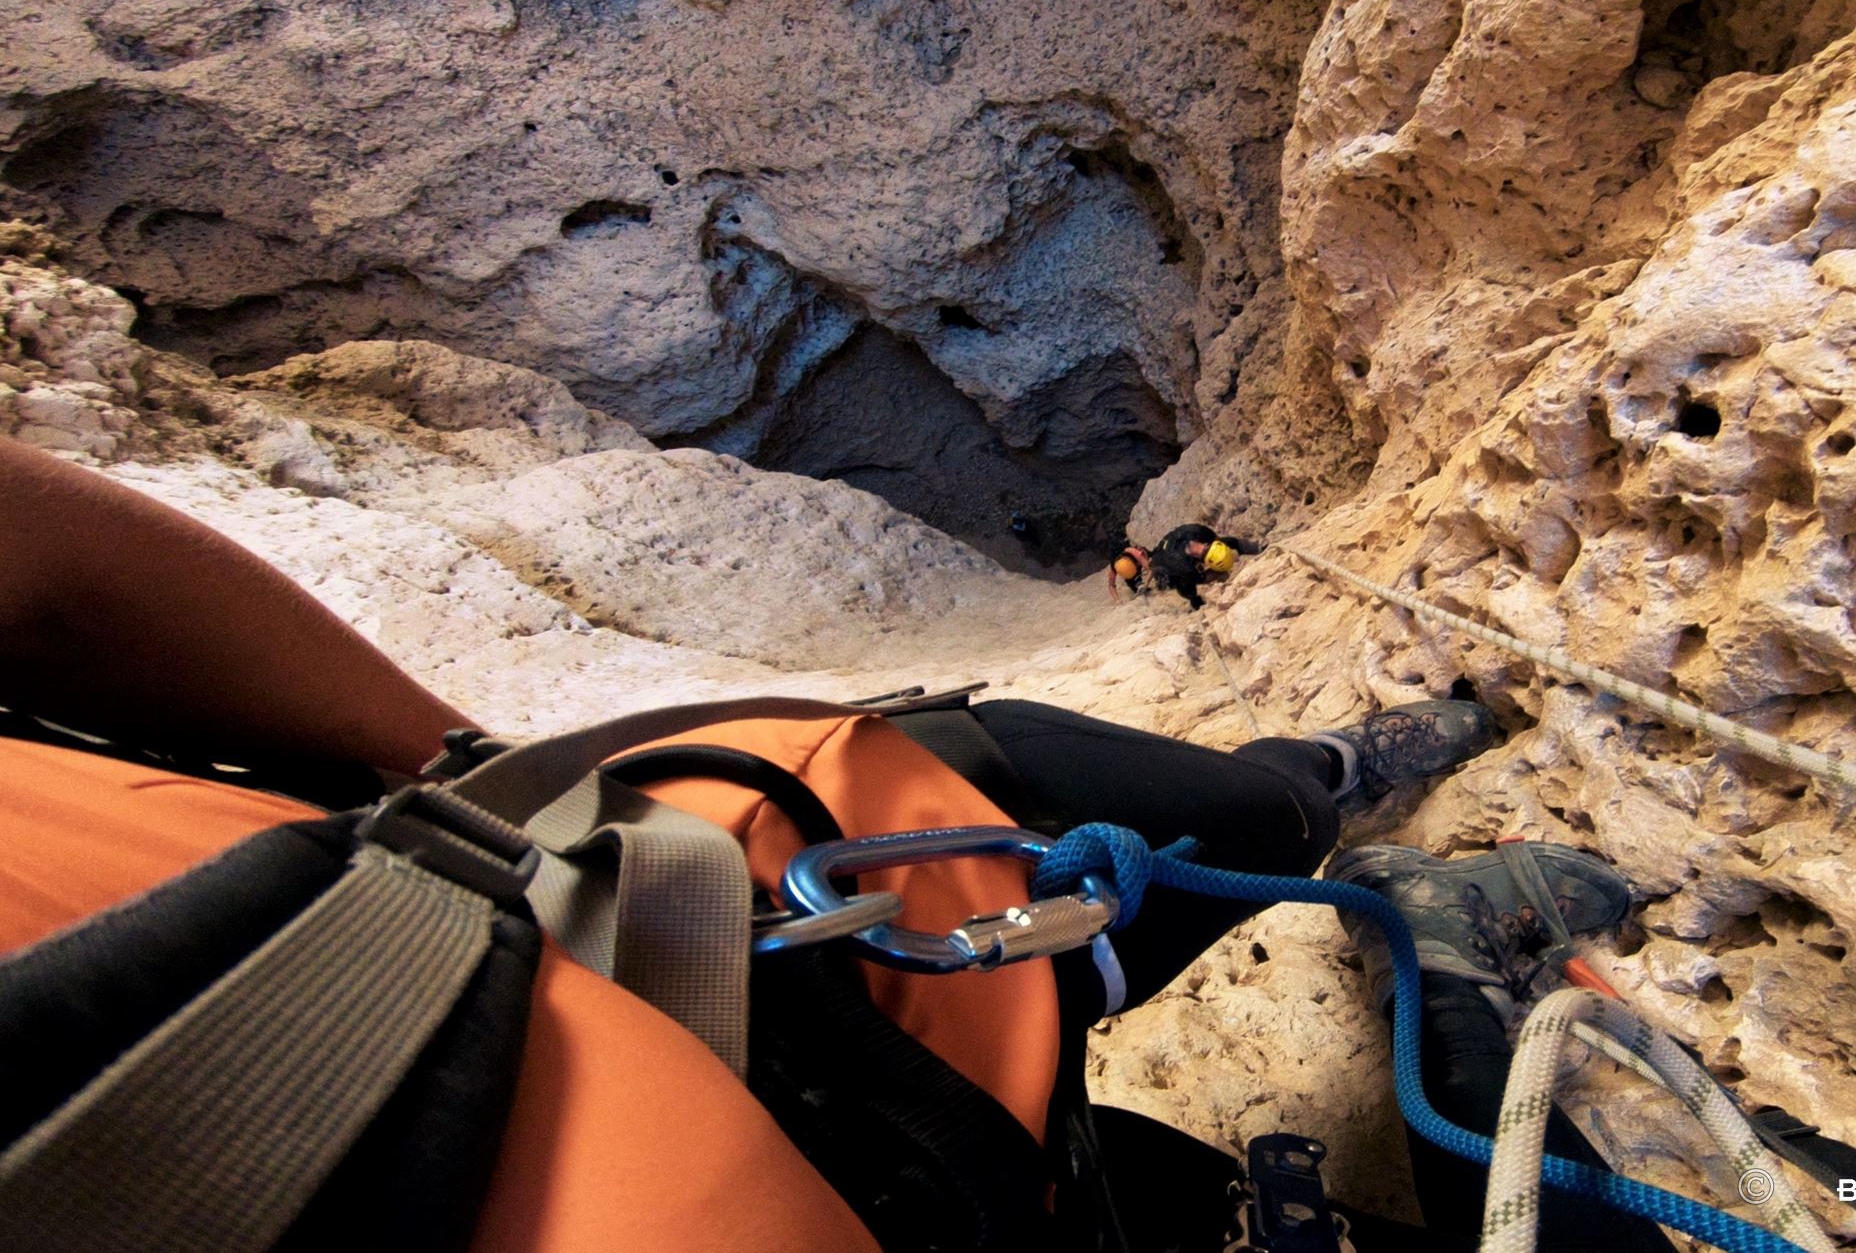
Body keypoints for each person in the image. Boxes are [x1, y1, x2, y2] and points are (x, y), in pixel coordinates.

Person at [0, 439, 1657, 1252]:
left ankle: (1328, 798)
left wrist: (456, 768)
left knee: (1179, 827)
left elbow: (46, 564)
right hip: (754, 1096)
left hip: (729, 892)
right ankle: (1430, 958)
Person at [1148, 523, 1261, 610]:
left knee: (1229, 542)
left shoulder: (1199, 532)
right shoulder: (1185, 567)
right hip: (1160, 562)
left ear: (1208, 544)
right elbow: (1203, 578)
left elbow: (1218, 540)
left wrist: (1226, 555)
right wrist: (1222, 570)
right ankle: (1195, 601)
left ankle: (1258, 549)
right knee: (1183, 584)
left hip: (1176, 539)